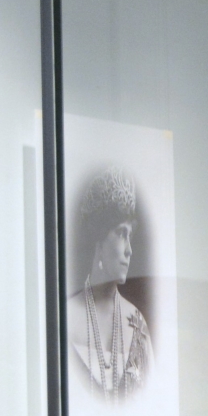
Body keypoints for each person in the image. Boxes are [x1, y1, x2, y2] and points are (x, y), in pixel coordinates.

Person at [69, 165, 153, 399]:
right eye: (121, 233)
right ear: (99, 240)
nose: (129, 250)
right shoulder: (65, 317)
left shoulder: (137, 324)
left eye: (130, 236)